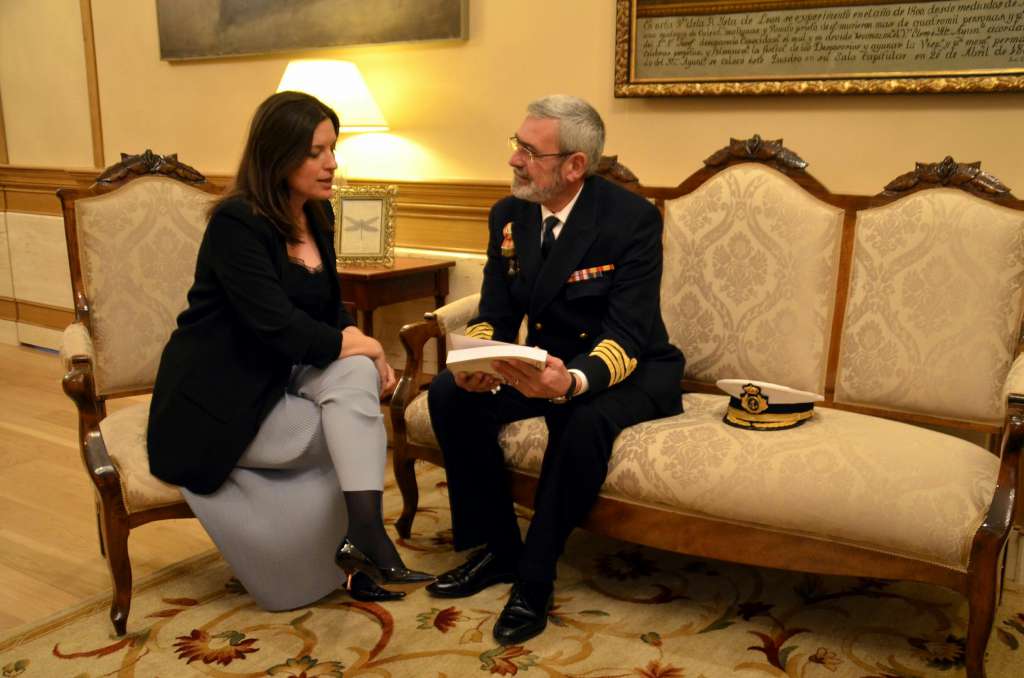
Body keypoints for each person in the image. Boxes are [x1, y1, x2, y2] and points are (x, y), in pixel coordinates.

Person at [147, 91, 432, 609]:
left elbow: (330, 310)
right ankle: (349, 548)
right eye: (316, 152)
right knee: (348, 420)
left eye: (333, 148)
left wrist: (362, 352)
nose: (332, 163)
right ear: (277, 155)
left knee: (354, 383)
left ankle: (364, 533)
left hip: (278, 371)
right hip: (218, 393)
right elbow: (277, 327)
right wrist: (368, 345)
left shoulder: (316, 214)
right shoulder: (237, 223)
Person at [426, 95, 685, 644]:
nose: (514, 160)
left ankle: (535, 576)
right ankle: (499, 549)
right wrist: (478, 360)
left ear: (575, 165)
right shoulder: (510, 214)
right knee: (450, 395)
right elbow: (495, 313)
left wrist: (571, 381)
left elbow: (628, 333)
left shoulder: (630, 220)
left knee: (580, 419)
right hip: (542, 364)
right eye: (516, 145)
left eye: (529, 151)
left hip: (627, 369)